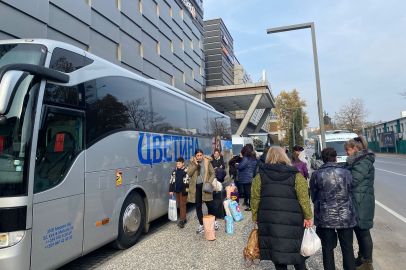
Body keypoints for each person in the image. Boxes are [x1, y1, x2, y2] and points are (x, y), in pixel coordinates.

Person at [251, 146, 312, 270]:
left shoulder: (260, 177)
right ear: (285, 157)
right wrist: (308, 216)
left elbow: (255, 198)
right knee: (297, 253)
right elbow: (304, 198)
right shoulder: (296, 176)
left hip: (270, 220)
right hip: (293, 220)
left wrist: (255, 216)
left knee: (277, 254)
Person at [310, 148, 357, 270]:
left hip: (325, 216)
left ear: (322, 159)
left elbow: (313, 196)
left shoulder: (316, 174)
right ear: (336, 158)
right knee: (347, 247)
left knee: (327, 248)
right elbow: (351, 192)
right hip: (345, 215)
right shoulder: (346, 173)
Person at [344, 136, 375, 270]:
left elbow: (353, 180)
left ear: (355, 149)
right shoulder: (357, 161)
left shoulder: (362, 163)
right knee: (359, 231)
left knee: (364, 232)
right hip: (358, 200)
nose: (346, 152)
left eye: (348, 150)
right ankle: (361, 257)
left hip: (361, 202)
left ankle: (367, 263)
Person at [187, 149, 218, 234]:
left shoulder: (207, 162)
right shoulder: (192, 162)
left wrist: (208, 182)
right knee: (198, 206)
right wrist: (196, 165)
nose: (199, 157)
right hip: (196, 187)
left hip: (205, 186)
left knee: (210, 204)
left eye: (201, 155)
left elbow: (212, 173)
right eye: (198, 155)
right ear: (195, 156)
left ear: (203, 155)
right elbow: (189, 173)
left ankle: (214, 221)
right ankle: (202, 224)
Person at [169, 157, 190, 228]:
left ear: (183, 163)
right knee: (179, 204)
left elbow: (188, 181)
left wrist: (186, 190)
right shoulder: (175, 170)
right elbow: (172, 180)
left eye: (179, 164)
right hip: (177, 190)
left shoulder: (186, 170)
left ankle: (182, 220)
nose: (178, 165)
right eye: (177, 164)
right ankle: (184, 217)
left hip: (183, 190)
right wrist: (171, 190)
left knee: (182, 204)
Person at [236, 147, 257, 211]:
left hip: (247, 178)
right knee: (250, 192)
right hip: (251, 177)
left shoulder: (245, 159)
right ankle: (252, 205)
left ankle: (251, 206)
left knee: (249, 193)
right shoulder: (253, 158)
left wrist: (236, 165)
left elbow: (240, 167)